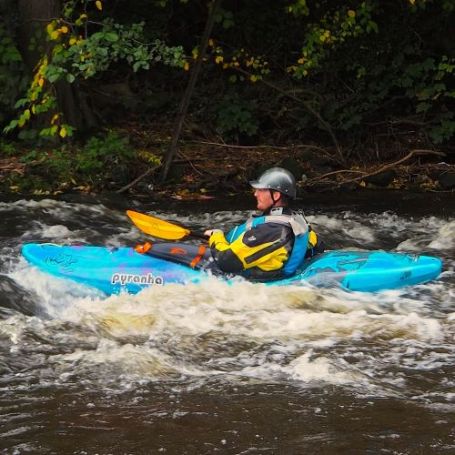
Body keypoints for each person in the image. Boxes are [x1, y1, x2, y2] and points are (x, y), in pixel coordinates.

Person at [204, 167, 324, 281]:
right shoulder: (296, 221)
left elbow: (225, 261)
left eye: (261, 190)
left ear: (276, 195)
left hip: (253, 282)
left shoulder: (271, 230)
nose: (255, 194)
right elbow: (318, 246)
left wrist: (216, 235)